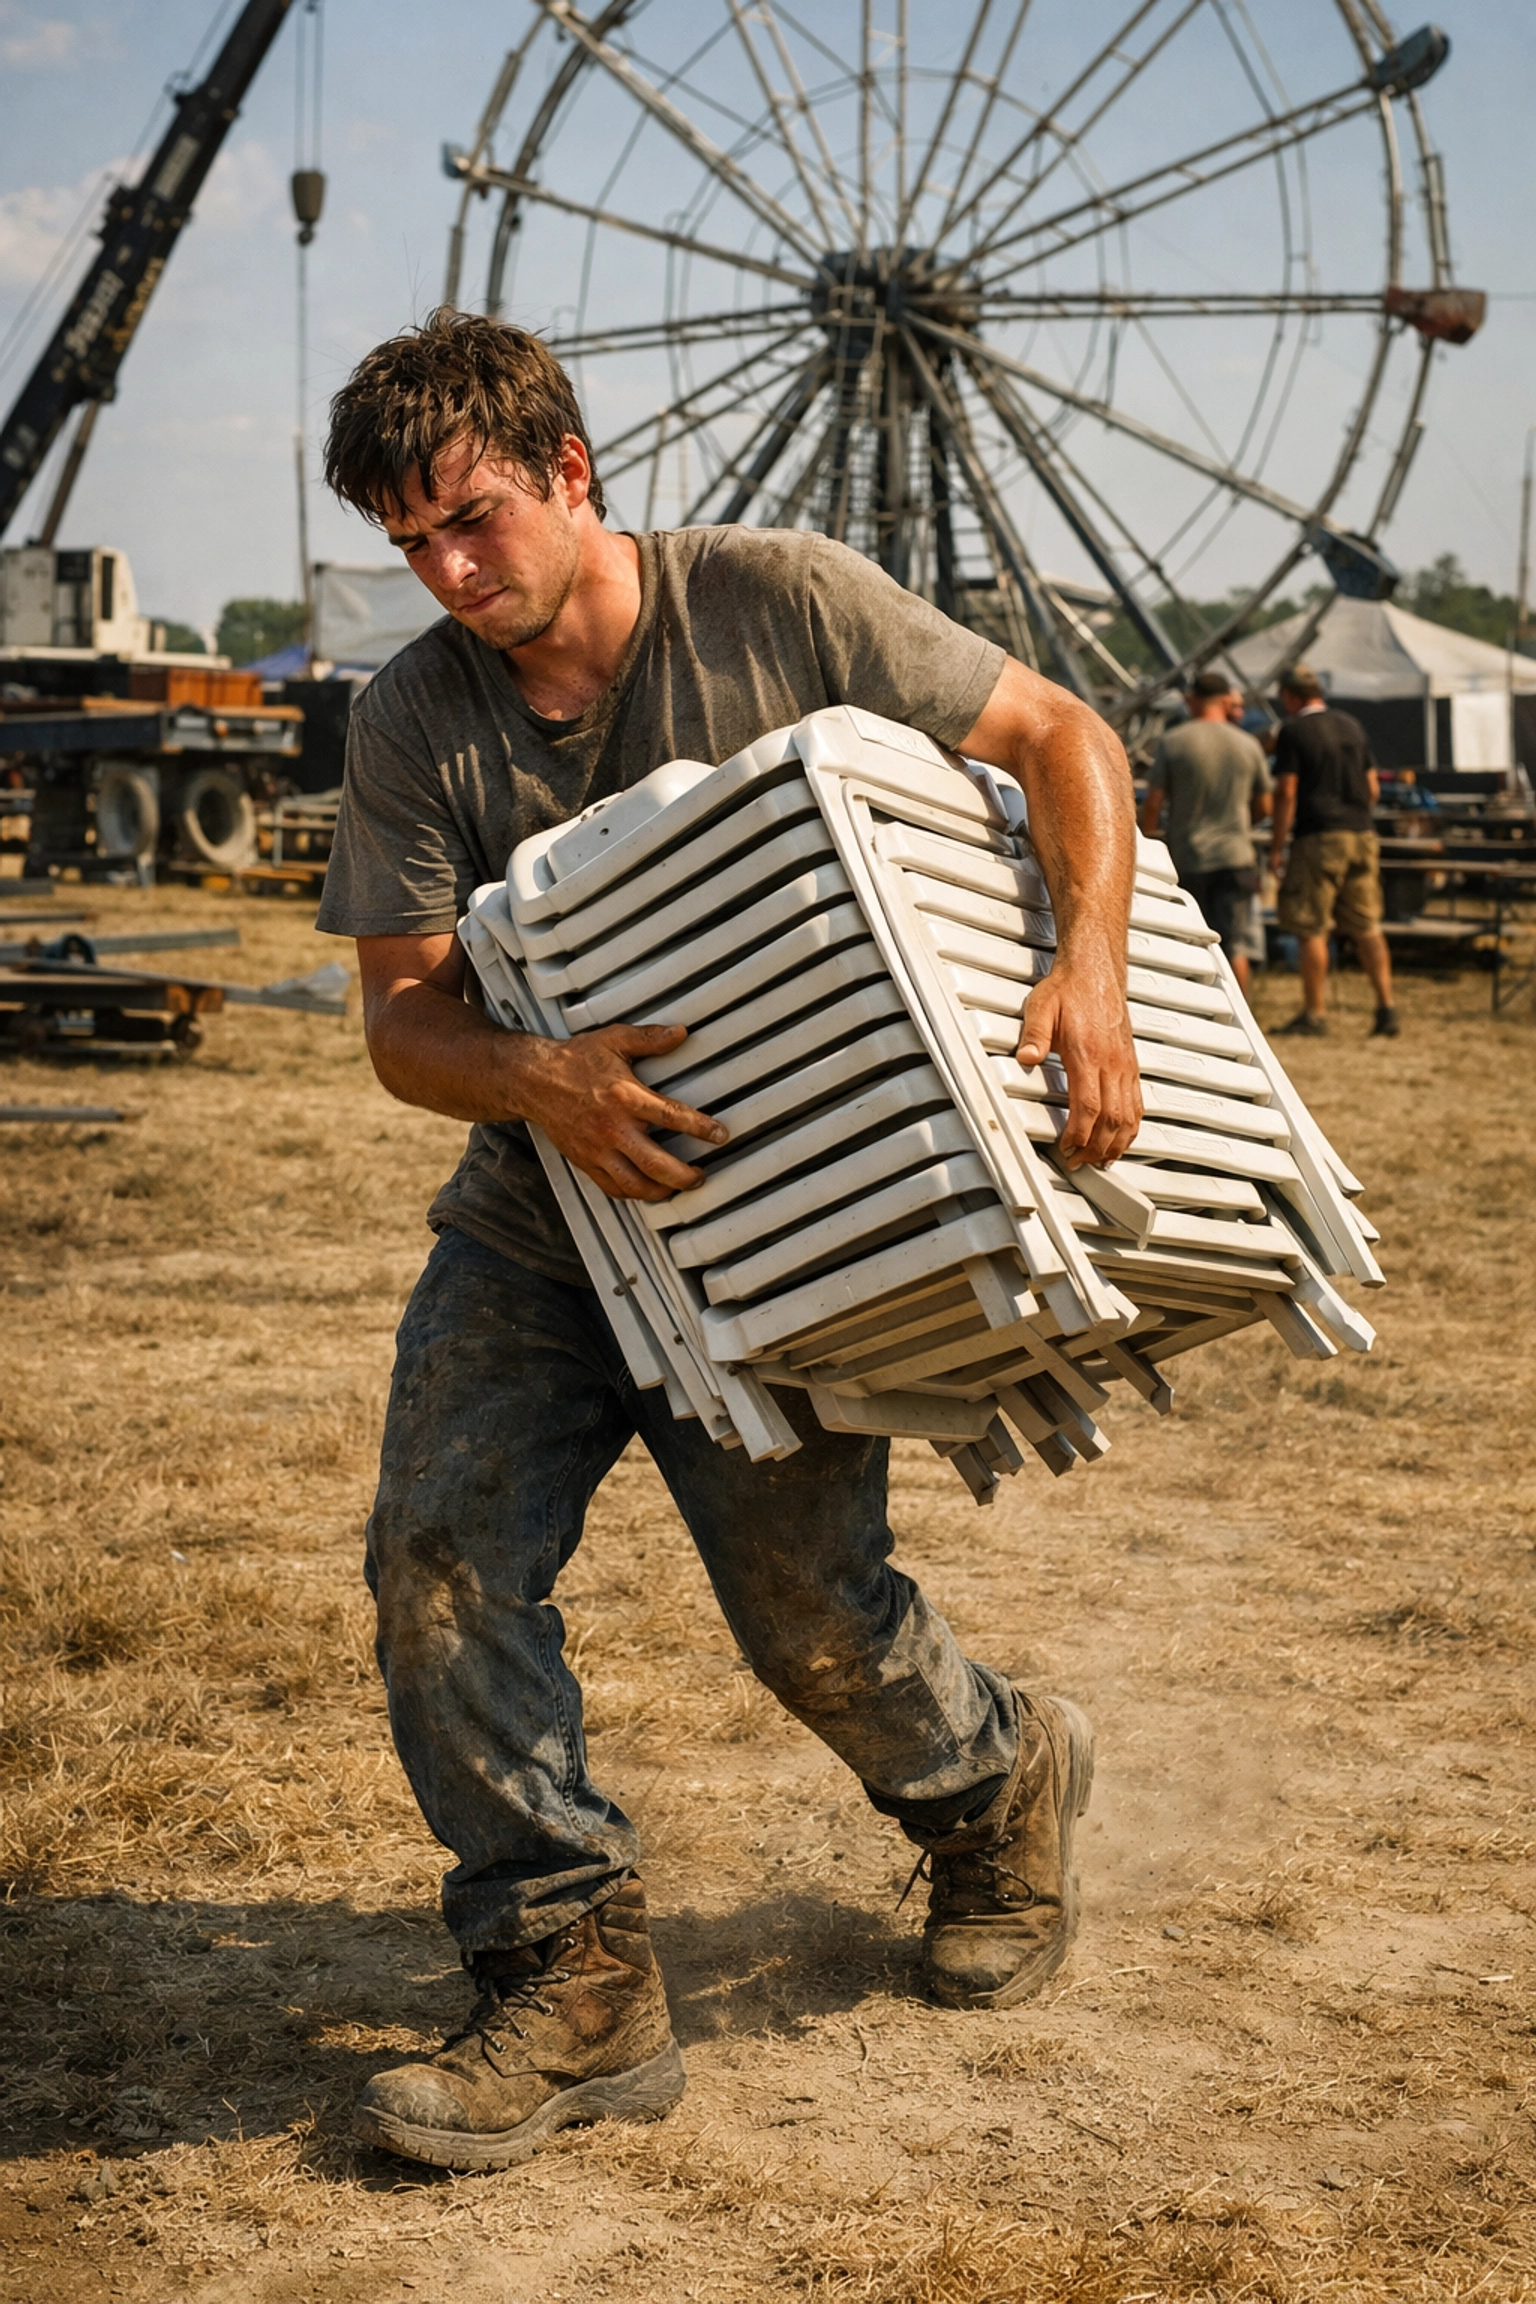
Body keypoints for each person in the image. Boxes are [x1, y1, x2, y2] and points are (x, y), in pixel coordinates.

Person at [314, 309, 1141, 2175]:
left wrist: (1087, 968)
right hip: (539, 1226)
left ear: (571, 469)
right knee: (436, 1560)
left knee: (807, 1612)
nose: (449, 574)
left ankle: (996, 1779)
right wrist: (540, 1077)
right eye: (412, 547)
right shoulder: (413, 713)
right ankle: (569, 1961)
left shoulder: (779, 602)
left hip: (781, 1219)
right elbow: (400, 1020)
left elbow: (1060, 735)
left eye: (472, 522)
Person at [1269, 665, 1399, 1038]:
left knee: (1310, 926)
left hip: (1319, 836)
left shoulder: (1294, 731)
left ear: (1291, 696)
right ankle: (1386, 1007)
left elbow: (1287, 791)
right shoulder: (1351, 725)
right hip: (1361, 833)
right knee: (1367, 926)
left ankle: (1315, 1012)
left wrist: (1278, 846)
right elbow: (1372, 787)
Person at [1139, 668, 1272, 992]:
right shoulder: (1248, 744)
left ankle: (1193, 1005)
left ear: (1192, 700)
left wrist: (1147, 841)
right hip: (1236, 856)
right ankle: (1242, 1013)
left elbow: (1153, 802)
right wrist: (1241, 825)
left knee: (1188, 942)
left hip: (1189, 856)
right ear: (1226, 701)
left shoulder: (1174, 742)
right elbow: (1265, 806)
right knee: (1234, 944)